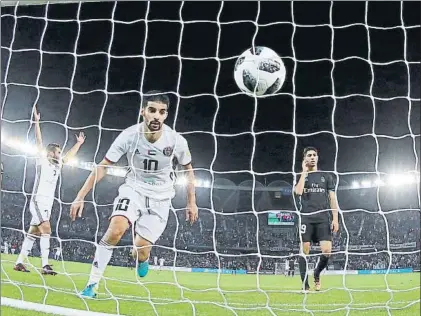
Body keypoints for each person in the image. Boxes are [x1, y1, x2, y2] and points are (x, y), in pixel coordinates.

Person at [70, 91, 198, 298]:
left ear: (166, 115)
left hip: (161, 197)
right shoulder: (129, 136)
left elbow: (188, 170)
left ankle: (143, 258)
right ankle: (91, 285)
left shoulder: (176, 141)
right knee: (115, 230)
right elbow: (103, 166)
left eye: (162, 112)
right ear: (143, 112)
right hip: (134, 189)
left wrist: (191, 202)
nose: (157, 116)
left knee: (141, 249)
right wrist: (80, 195)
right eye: (152, 110)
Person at [14, 107, 86, 275]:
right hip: (38, 201)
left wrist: (79, 144)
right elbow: (39, 142)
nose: (60, 155)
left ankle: (19, 263)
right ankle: (45, 265)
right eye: (58, 152)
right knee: (46, 229)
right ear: (51, 153)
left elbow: (68, 157)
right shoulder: (42, 161)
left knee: (33, 234)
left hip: (48, 203)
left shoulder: (58, 164)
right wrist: (37, 122)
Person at [294, 147, 339, 292]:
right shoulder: (301, 176)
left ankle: (317, 274)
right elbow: (298, 192)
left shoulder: (326, 176)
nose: (312, 157)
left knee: (327, 251)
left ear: (317, 158)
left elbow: (333, 198)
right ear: (305, 159)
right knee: (304, 250)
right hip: (306, 218)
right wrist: (304, 171)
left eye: (314, 155)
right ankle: (305, 284)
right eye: (309, 155)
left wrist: (335, 219)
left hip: (323, 218)